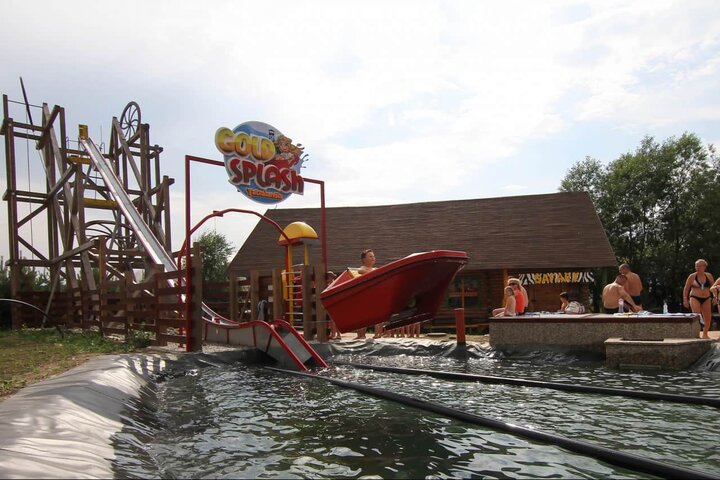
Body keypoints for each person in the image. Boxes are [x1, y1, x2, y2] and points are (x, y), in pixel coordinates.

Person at [682, 259, 716, 340]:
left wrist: (715, 297)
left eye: (699, 266)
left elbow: (714, 287)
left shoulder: (709, 276)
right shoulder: (692, 276)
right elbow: (686, 289)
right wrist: (685, 299)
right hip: (694, 297)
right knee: (697, 316)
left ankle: (705, 334)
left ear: (704, 267)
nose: (697, 268)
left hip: (706, 298)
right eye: (696, 266)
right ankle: (697, 334)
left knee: (707, 316)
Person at [356, 249, 377, 339]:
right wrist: (374, 273)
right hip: (364, 295)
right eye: (370, 256)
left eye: (373, 256)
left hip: (373, 294)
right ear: (364, 259)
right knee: (362, 315)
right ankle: (360, 335)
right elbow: (360, 271)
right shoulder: (363, 268)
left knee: (371, 315)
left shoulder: (375, 269)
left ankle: (376, 334)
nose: (373, 258)